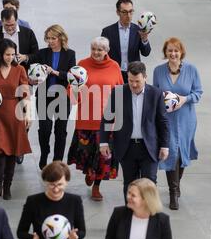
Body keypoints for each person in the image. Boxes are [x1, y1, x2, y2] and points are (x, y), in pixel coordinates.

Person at [99, 61, 169, 202]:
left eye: (137, 81)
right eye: (131, 81)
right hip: (126, 147)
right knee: (129, 184)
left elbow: (163, 122)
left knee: (149, 184)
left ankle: (149, 215)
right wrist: (103, 142)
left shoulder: (156, 94)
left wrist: (165, 145)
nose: (134, 85)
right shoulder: (118, 92)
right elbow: (107, 119)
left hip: (148, 147)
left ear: (145, 77)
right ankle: (130, 215)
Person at [67, 37, 123, 201]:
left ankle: (96, 186)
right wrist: (75, 91)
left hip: (107, 121)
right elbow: (72, 88)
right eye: (94, 49)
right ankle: (89, 173)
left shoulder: (114, 66)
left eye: (100, 49)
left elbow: (119, 91)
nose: (97, 52)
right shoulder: (82, 64)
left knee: (103, 158)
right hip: (86, 118)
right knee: (87, 153)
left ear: (107, 51)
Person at [153, 37, 203, 210]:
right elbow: (155, 94)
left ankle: (177, 183)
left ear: (181, 52)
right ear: (165, 52)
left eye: (176, 50)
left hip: (186, 118)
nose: (173, 53)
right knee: (170, 151)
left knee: (181, 153)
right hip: (167, 118)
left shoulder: (191, 70)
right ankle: (173, 192)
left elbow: (198, 93)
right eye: (170, 50)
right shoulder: (158, 71)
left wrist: (184, 99)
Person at [0, 8, 38, 164]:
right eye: (7, 25)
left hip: (22, 77)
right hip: (1, 81)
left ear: (17, 21)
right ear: (2, 22)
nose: (10, 28)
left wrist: (26, 57)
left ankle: (18, 145)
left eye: (12, 25)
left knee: (24, 114)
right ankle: (6, 145)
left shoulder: (28, 33)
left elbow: (36, 53)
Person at [0, 39, 32, 202]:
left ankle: (7, 187)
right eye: (7, 54)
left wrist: (27, 114)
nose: (10, 57)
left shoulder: (20, 70)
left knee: (11, 153)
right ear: (0, 54)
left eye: (12, 54)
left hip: (14, 113)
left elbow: (25, 94)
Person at [29, 25, 76, 169]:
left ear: (61, 38)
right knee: (44, 129)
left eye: (53, 38)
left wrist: (54, 72)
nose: (50, 41)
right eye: (48, 38)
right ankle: (44, 154)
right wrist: (31, 79)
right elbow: (31, 66)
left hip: (62, 97)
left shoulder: (70, 54)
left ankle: (58, 160)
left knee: (60, 131)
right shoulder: (42, 53)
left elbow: (71, 76)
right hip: (44, 96)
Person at [17, 161, 86, 239]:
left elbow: (82, 231)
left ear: (66, 182)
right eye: (52, 184)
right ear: (45, 182)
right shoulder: (33, 201)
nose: (56, 189)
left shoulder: (75, 201)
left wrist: (76, 235)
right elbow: (21, 232)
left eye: (60, 184)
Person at [103, 178, 173, 239]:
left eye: (133, 195)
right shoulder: (118, 214)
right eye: (128, 193)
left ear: (146, 200)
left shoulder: (162, 220)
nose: (128, 197)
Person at [101, 0, 151, 83]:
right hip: (115, 74)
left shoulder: (138, 30)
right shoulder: (107, 31)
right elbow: (102, 55)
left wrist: (144, 39)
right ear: (118, 12)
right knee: (119, 96)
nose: (128, 15)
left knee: (135, 96)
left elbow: (146, 53)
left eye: (131, 11)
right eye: (124, 12)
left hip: (134, 74)